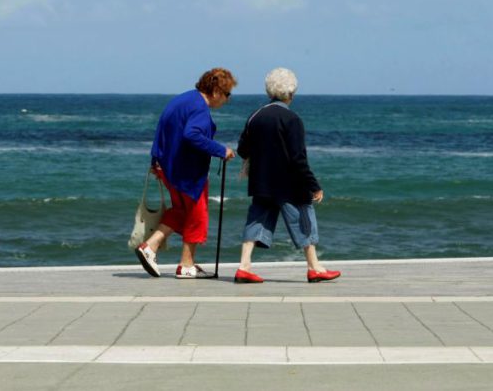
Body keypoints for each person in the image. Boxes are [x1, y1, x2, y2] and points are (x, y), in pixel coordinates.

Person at [234, 68, 340, 283]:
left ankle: (244, 266)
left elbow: (243, 150)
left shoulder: (255, 116)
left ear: (269, 92)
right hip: (289, 183)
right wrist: (314, 185)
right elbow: (298, 159)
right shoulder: (292, 119)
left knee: (256, 220)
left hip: (262, 182)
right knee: (303, 220)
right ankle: (314, 267)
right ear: (291, 93)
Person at [135, 68, 237, 279]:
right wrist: (221, 150)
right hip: (186, 171)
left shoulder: (182, 100)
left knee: (182, 211)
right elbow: (191, 135)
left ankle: (151, 247)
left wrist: (156, 160)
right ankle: (186, 265)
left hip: (167, 166)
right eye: (227, 94)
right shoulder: (200, 107)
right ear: (216, 90)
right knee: (197, 215)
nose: (227, 100)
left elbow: (162, 128)